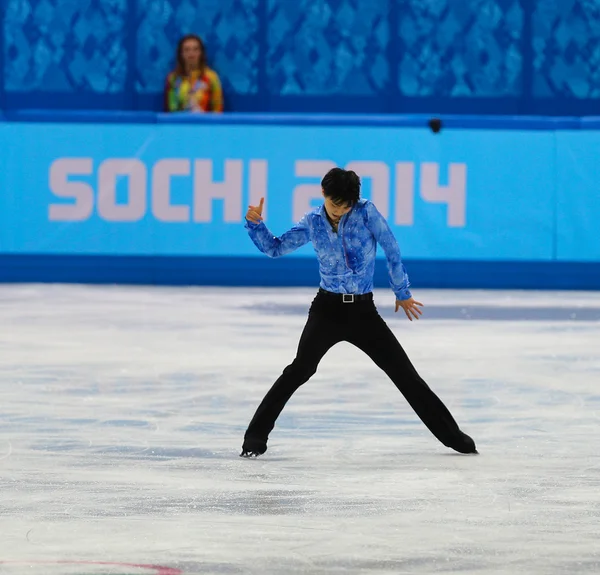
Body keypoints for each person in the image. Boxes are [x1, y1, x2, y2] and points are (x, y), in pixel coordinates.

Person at [241, 168, 477, 457]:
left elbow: (391, 248)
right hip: (326, 310)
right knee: (299, 370)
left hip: (363, 313)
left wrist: (401, 291)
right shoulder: (313, 222)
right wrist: (256, 225)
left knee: (404, 374)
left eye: (346, 205)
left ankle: (453, 437)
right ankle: (254, 439)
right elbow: (275, 249)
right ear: (323, 193)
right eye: (335, 203)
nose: (340, 210)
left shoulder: (367, 213)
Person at [164, 34, 223, 113]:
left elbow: (217, 110)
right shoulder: (173, 78)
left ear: (201, 53)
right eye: (187, 50)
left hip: (204, 124)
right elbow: (171, 110)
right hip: (179, 124)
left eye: (195, 49)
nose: (191, 54)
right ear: (181, 54)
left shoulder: (211, 77)